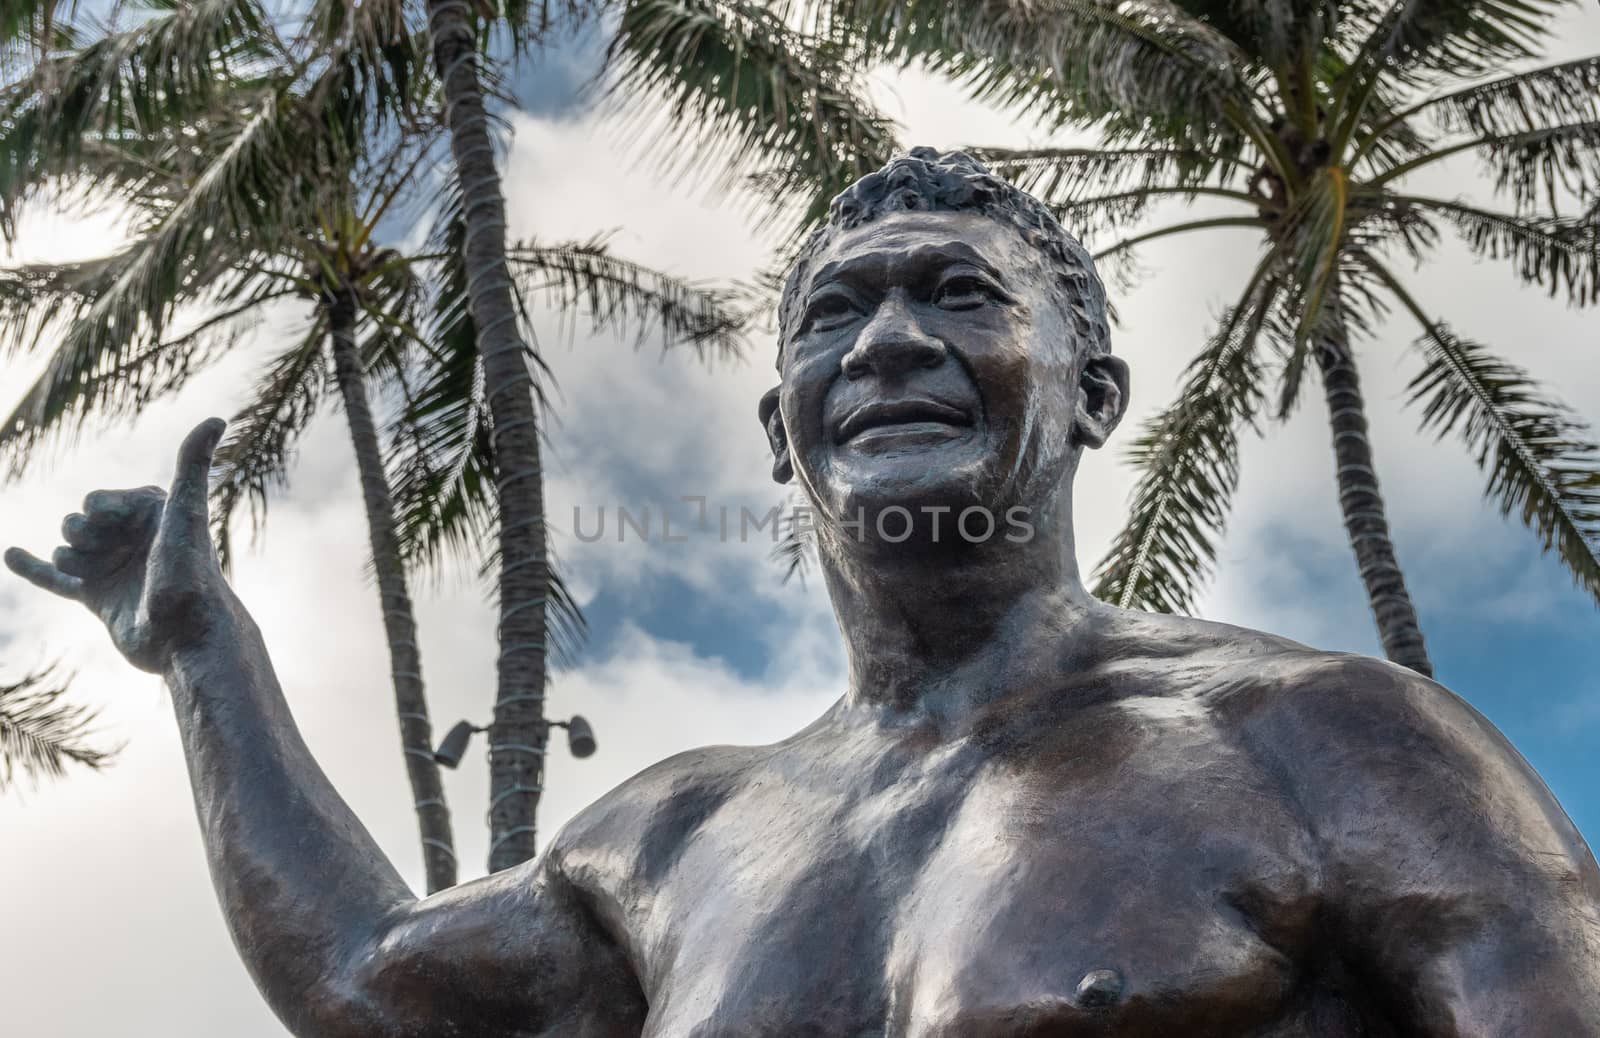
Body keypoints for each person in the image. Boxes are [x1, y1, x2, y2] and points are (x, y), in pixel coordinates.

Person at [8, 150, 1598, 1036]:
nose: (888, 339)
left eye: (958, 294)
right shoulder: (678, 837)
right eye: (836, 312)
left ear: (1092, 391)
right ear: (784, 430)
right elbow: (369, 984)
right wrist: (210, 658)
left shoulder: (1331, 741)